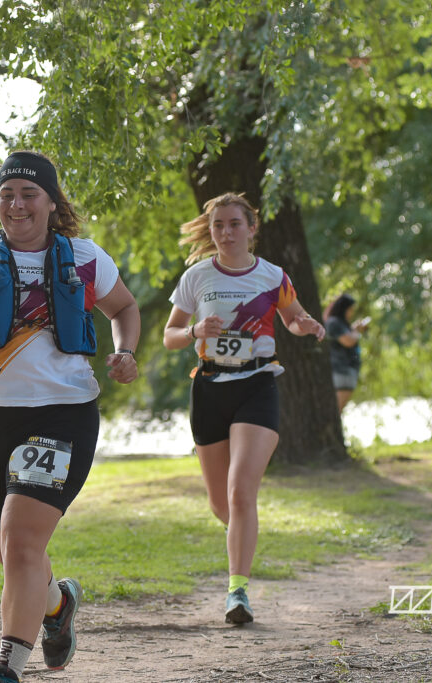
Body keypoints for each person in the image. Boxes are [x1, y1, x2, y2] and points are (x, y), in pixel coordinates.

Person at [0, 151, 141, 683]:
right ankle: (57, 605)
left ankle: (8, 668)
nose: (16, 205)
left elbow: (125, 309)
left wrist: (126, 350)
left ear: (50, 202)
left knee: (22, 543)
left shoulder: (87, 257)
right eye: (7, 194)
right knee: (13, 553)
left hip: (63, 415)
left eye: (29, 194)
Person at [162, 192, 325, 625]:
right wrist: (196, 328)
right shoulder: (196, 277)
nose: (226, 233)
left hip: (258, 383)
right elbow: (170, 335)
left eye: (235, 224)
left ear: (252, 229)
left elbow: (292, 316)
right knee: (222, 505)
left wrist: (304, 325)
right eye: (218, 226)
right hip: (211, 386)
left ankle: (237, 593)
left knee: (240, 491)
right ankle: (242, 534)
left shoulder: (273, 276)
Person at [324, 293, 370, 412]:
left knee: (338, 410)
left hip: (347, 372)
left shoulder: (341, 323)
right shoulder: (334, 322)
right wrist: (357, 331)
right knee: (336, 411)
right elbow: (348, 341)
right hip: (341, 371)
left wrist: (354, 329)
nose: (351, 313)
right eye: (350, 309)